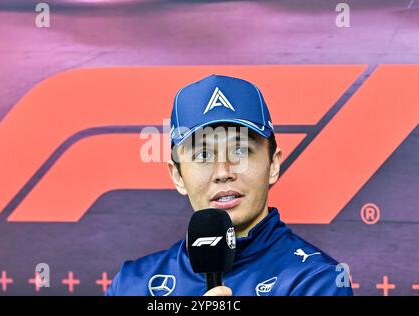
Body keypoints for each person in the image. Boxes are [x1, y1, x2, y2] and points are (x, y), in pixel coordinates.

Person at [106, 75, 352, 296]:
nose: (223, 172)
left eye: (240, 150)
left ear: (273, 164)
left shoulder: (315, 281)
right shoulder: (132, 285)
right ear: (177, 175)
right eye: (203, 155)